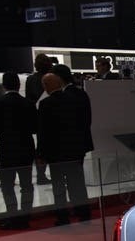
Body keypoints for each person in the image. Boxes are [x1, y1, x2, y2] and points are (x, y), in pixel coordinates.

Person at [37, 66, 93, 225]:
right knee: (77, 182)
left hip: (56, 153)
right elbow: (85, 122)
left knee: (58, 185)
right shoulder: (75, 99)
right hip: (75, 149)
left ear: (46, 86)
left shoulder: (46, 104)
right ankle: (83, 213)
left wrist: (41, 154)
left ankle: (63, 216)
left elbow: (43, 132)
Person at [0, 71, 37, 229]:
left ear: (4, 85)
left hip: (6, 149)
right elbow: (35, 128)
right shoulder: (28, 103)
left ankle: (12, 217)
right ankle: (25, 217)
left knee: (7, 185)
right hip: (26, 148)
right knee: (26, 184)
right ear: (19, 84)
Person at [24, 52, 53, 185]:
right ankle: (54, 173)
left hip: (37, 117)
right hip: (51, 116)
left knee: (41, 147)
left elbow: (29, 100)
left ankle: (41, 175)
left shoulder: (30, 79)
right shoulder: (52, 78)